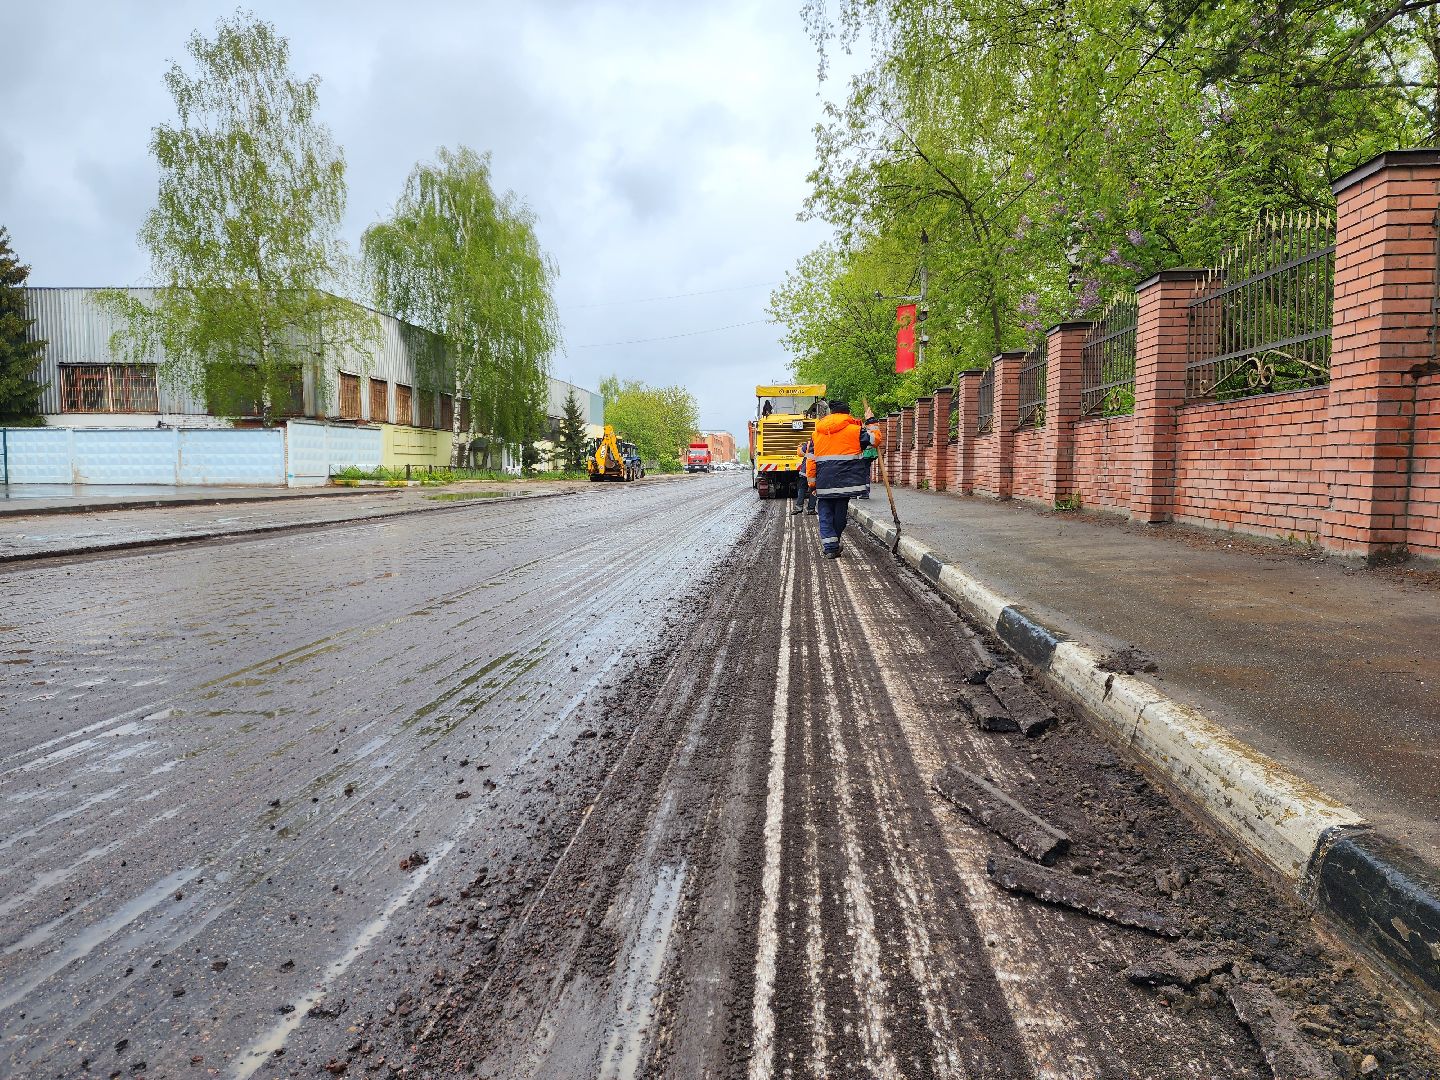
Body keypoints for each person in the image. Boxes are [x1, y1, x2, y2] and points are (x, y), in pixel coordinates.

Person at [810, 399, 874, 559]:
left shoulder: (817, 432)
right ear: (847, 413)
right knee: (840, 515)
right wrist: (871, 421)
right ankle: (833, 543)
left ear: (831, 413)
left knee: (825, 515)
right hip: (846, 483)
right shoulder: (855, 430)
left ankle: (831, 547)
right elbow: (874, 440)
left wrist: (812, 483)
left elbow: (811, 459)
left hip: (824, 482)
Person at [791, 438, 817, 516]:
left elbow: (800, 453)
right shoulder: (823, 444)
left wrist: (799, 447)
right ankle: (811, 509)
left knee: (802, 489)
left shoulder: (809, 443)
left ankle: (799, 507)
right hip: (815, 473)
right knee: (814, 490)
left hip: (805, 471)